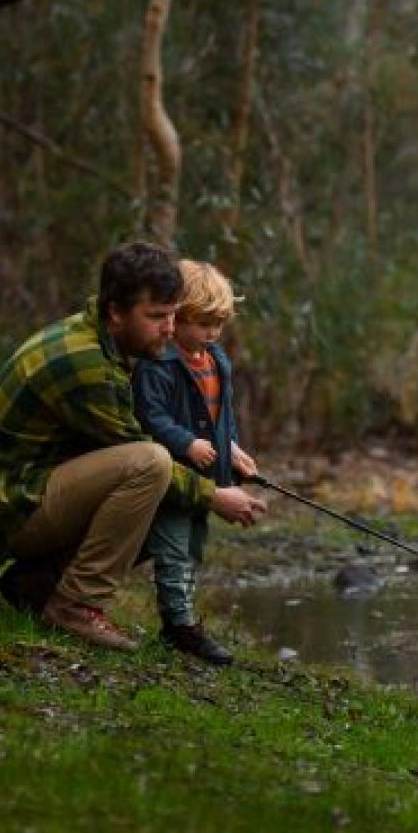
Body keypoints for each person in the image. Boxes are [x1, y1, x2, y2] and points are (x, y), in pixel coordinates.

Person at [0, 242, 266, 652]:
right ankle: (76, 606)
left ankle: (35, 584)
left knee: (156, 477)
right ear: (116, 311)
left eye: (173, 315)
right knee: (150, 466)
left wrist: (224, 448)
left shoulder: (108, 340)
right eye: (156, 317)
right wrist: (213, 496)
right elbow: (142, 455)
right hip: (3, 510)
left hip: (32, 493)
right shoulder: (87, 365)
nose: (169, 329)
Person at [133, 260, 258, 665]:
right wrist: (185, 442)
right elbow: (150, 417)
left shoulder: (217, 360)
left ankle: (181, 619)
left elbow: (224, 413)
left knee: (192, 549)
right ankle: (179, 626)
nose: (211, 333)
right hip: (173, 478)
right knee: (171, 550)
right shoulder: (159, 365)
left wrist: (233, 447)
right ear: (177, 317)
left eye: (218, 323)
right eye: (203, 323)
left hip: (207, 479)